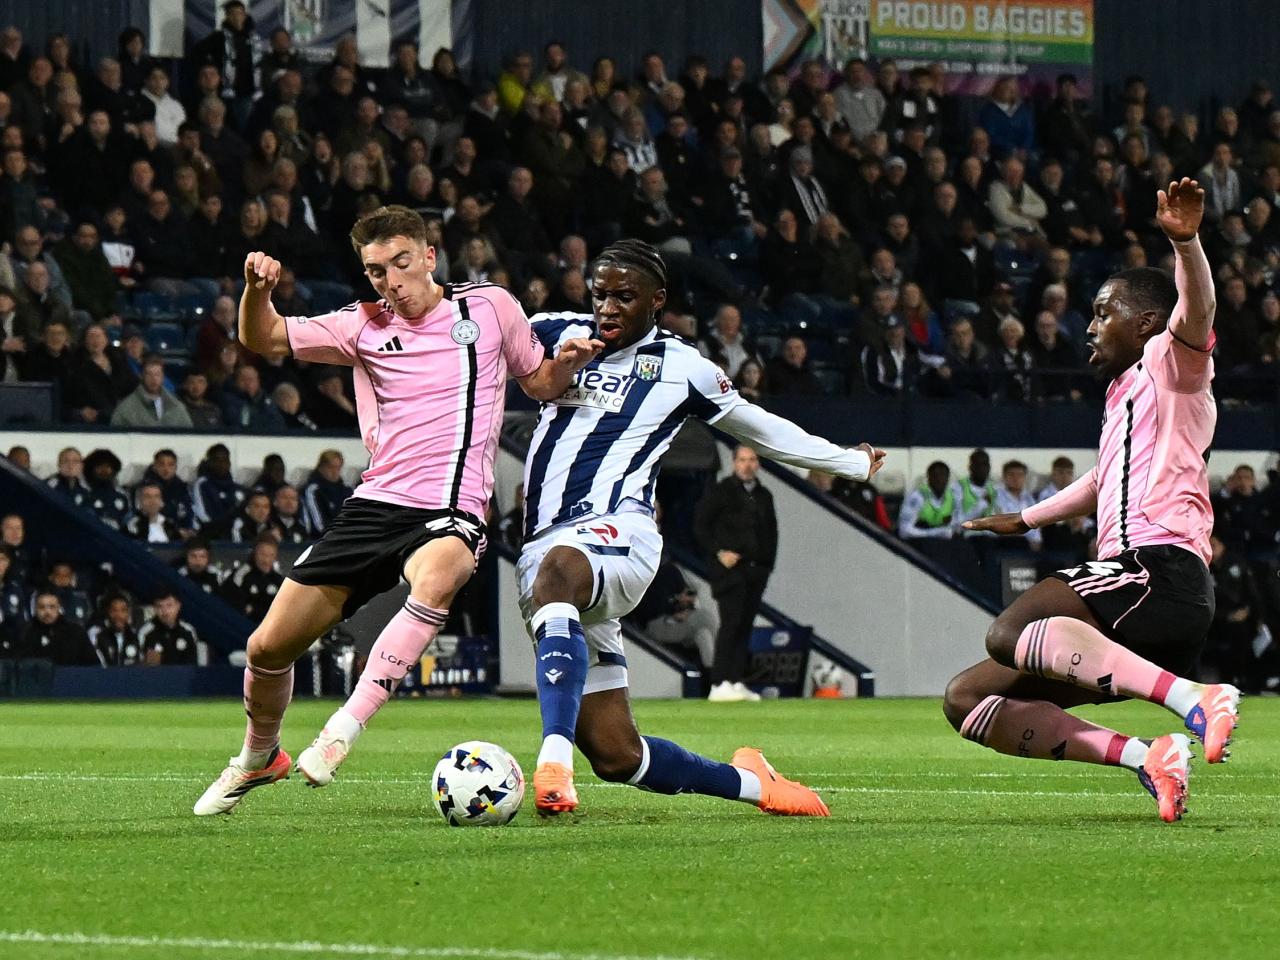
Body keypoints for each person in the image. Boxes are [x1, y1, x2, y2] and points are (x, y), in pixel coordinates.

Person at [194, 204, 601, 815]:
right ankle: (259, 757)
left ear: (430, 256)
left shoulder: (490, 308)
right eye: (376, 270)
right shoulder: (361, 323)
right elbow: (264, 336)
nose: (390, 281)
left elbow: (536, 382)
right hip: (373, 507)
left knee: (439, 575)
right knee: (265, 650)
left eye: (401, 263)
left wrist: (565, 366)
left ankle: (342, 730)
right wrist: (257, 292)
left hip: (453, 505)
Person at [515, 239, 884, 817]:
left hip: (619, 532)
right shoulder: (553, 332)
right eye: (600, 295)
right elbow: (477, 335)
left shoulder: (683, 366)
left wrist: (849, 461)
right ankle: (757, 785)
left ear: (657, 301)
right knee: (617, 756)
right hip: (542, 552)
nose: (608, 308)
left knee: (561, 571)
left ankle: (552, 762)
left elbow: (761, 429)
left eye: (624, 298)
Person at [943, 179, 1240, 824]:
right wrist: (1024, 518)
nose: (1091, 324)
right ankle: (1150, 756)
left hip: (1156, 571)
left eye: (1104, 312)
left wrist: (1185, 243)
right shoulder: (1122, 396)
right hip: (1135, 599)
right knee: (967, 699)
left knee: (1009, 632)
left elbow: (1198, 313)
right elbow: (1101, 483)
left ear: (1145, 324)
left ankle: (1195, 699)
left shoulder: (1172, 363)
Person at [695, 445, 775, 703]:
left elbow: (771, 533)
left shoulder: (764, 495)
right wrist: (719, 552)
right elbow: (700, 526)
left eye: (752, 460)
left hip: (755, 570)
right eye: (743, 460)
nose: (747, 465)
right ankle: (719, 682)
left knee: (744, 627)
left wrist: (766, 565)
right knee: (730, 625)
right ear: (734, 462)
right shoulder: (721, 492)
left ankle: (737, 680)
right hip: (730, 572)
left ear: (758, 463)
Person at [110, 354, 194, 429]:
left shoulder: (177, 407)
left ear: (162, 377)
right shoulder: (125, 409)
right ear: (141, 376)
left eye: (157, 374)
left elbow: (189, 436)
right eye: (148, 374)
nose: (153, 379)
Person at [22, 591, 97, 665]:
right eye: (42, 607)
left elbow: (93, 664)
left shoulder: (75, 632)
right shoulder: (27, 634)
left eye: (52, 607)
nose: (47, 612)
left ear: (59, 608)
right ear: (35, 609)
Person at [138, 590, 203, 666]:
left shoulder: (188, 630)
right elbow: (138, 666)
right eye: (159, 606)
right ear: (154, 609)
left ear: (178, 606)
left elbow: (195, 665)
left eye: (169, 605)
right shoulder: (145, 632)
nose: (165, 611)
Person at [898, 461, 957, 540]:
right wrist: (936, 533)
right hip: (921, 541)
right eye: (935, 476)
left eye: (942, 476)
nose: (939, 480)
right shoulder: (917, 497)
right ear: (928, 478)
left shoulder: (954, 497)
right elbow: (904, 531)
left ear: (948, 478)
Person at [88, 594, 141, 667]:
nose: (118, 615)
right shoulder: (100, 638)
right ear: (108, 613)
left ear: (128, 614)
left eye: (123, 610)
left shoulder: (135, 637)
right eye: (114, 610)